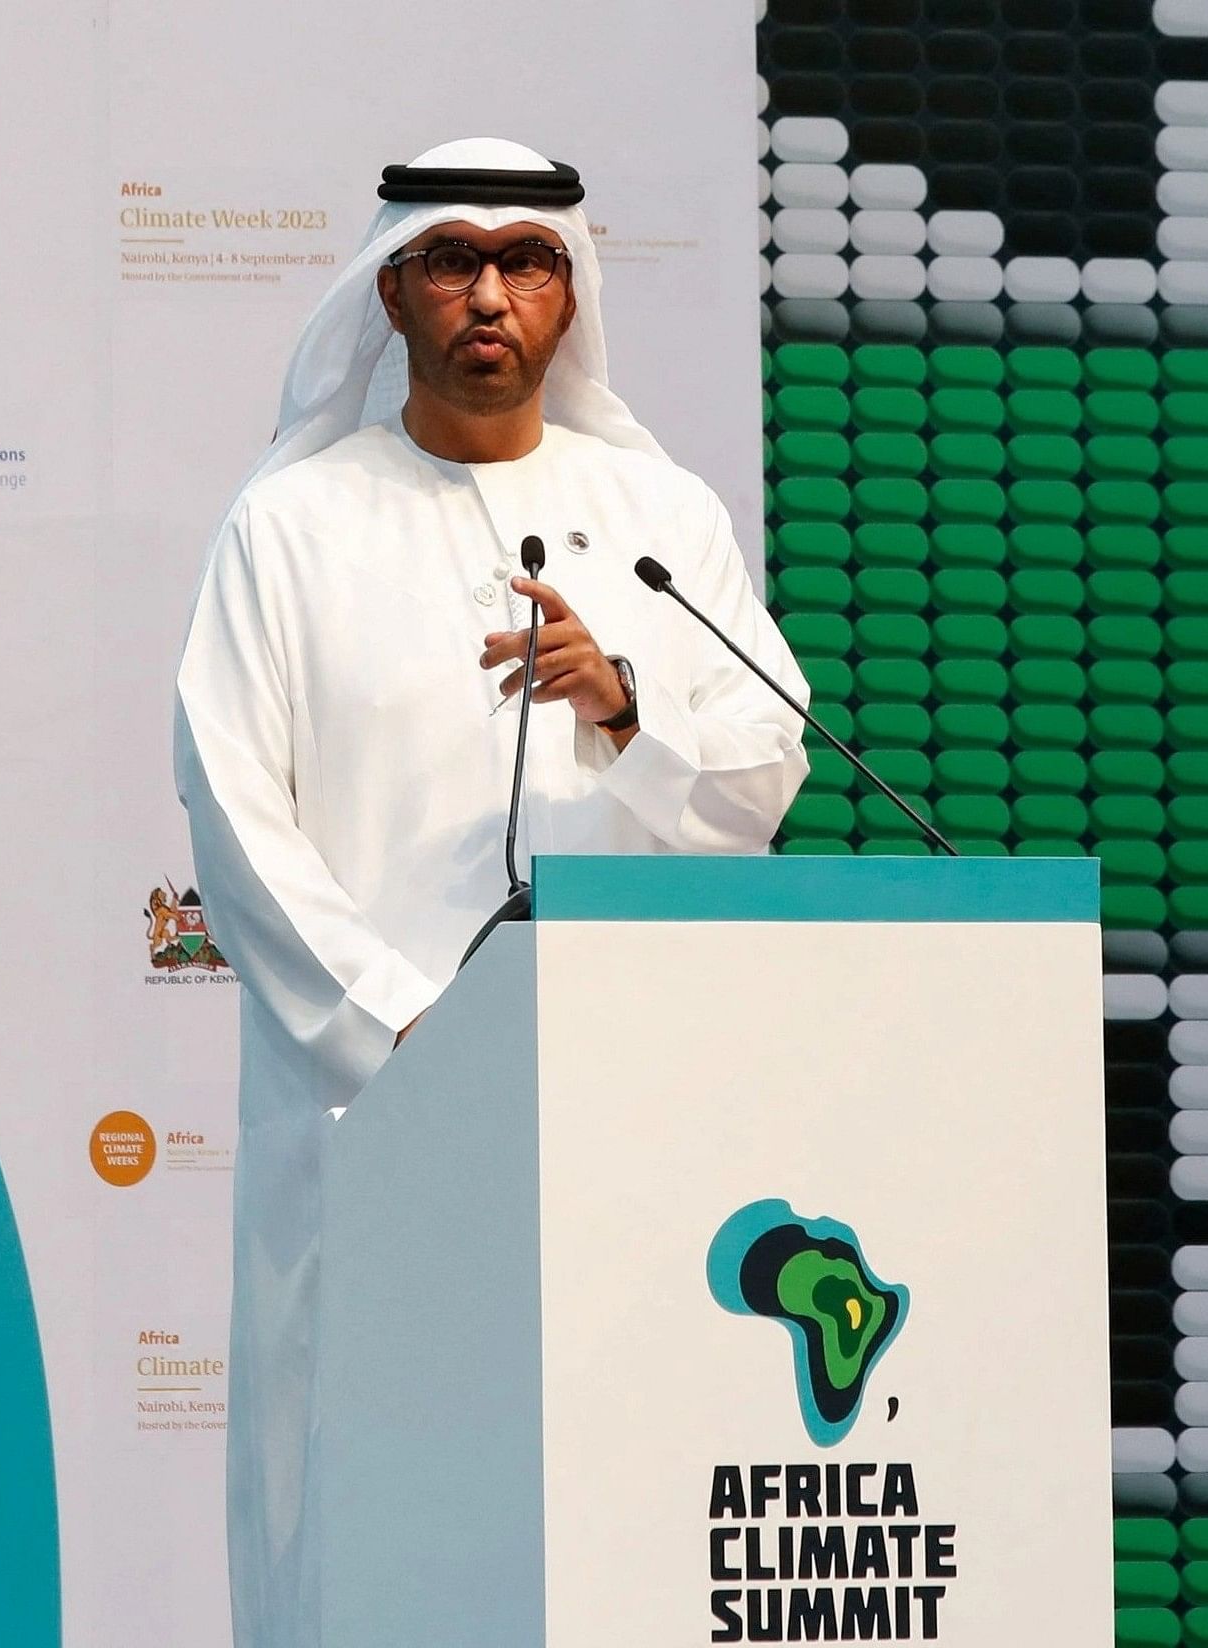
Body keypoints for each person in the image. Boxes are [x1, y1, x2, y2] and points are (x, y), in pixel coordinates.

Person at [171, 136, 809, 1647]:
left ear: (567, 301)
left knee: (628, 1463)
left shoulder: (665, 520)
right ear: (388, 293)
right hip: (368, 1099)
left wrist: (627, 702)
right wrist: (404, 1040)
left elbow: (763, 768)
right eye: (451, 260)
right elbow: (236, 812)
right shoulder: (292, 526)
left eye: (526, 264)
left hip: (631, 1098)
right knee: (360, 1479)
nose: (489, 295)